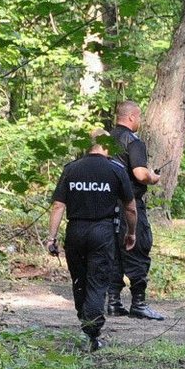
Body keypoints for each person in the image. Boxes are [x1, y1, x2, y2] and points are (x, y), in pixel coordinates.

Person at [48, 132, 137, 352]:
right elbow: (130, 207)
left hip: (75, 231)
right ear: (107, 145)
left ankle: (86, 321)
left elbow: (59, 205)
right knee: (97, 281)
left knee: (80, 280)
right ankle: (93, 330)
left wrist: (51, 236)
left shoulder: (72, 169)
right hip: (103, 232)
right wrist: (132, 232)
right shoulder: (116, 170)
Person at [109, 99, 165, 320]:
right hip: (129, 204)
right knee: (137, 247)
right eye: (139, 117)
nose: (140, 121)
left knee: (113, 253)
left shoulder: (106, 140)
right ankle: (138, 304)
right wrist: (153, 177)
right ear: (131, 117)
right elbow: (140, 174)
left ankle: (113, 302)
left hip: (106, 207)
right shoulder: (133, 141)